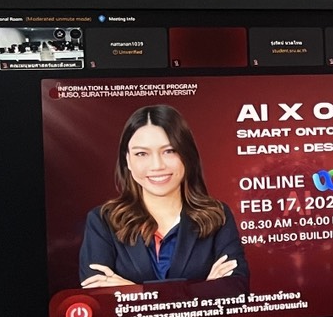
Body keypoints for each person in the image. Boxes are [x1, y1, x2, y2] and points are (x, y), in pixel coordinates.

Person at [79, 104, 249, 291]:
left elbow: (235, 290)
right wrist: (200, 290)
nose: (157, 165)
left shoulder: (217, 215)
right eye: (141, 153)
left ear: (187, 155)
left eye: (169, 151)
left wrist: (136, 291)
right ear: (127, 160)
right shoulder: (102, 221)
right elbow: (98, 293)